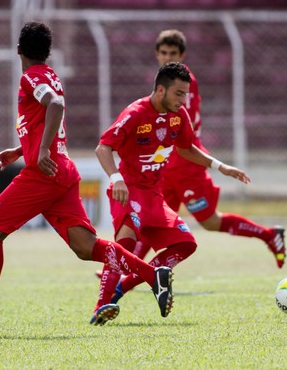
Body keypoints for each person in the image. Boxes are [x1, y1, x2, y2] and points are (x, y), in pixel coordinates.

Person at [0, 21, 175, 332]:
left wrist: (41, 150)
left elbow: (54, 106)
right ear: (47, 51)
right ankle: (153, 275)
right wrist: (22, 149)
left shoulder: (31, 76)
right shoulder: (51, 75)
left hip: (43, 174)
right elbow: (44, 116)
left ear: (18, 50)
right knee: (85, 247)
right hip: (61, 169)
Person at [91, 61, 252, 325]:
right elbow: (103, 147)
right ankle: (102, 305)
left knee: (186, 243)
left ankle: (133, 283)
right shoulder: (135, 113)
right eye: (178, 94)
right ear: (160, 91)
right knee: (125, 242)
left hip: (155, 194)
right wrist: (116, 178)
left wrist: (220, 166)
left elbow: (186, 148)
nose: (183, 100)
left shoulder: (179, 116)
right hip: (129, 190)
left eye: (186, 94)